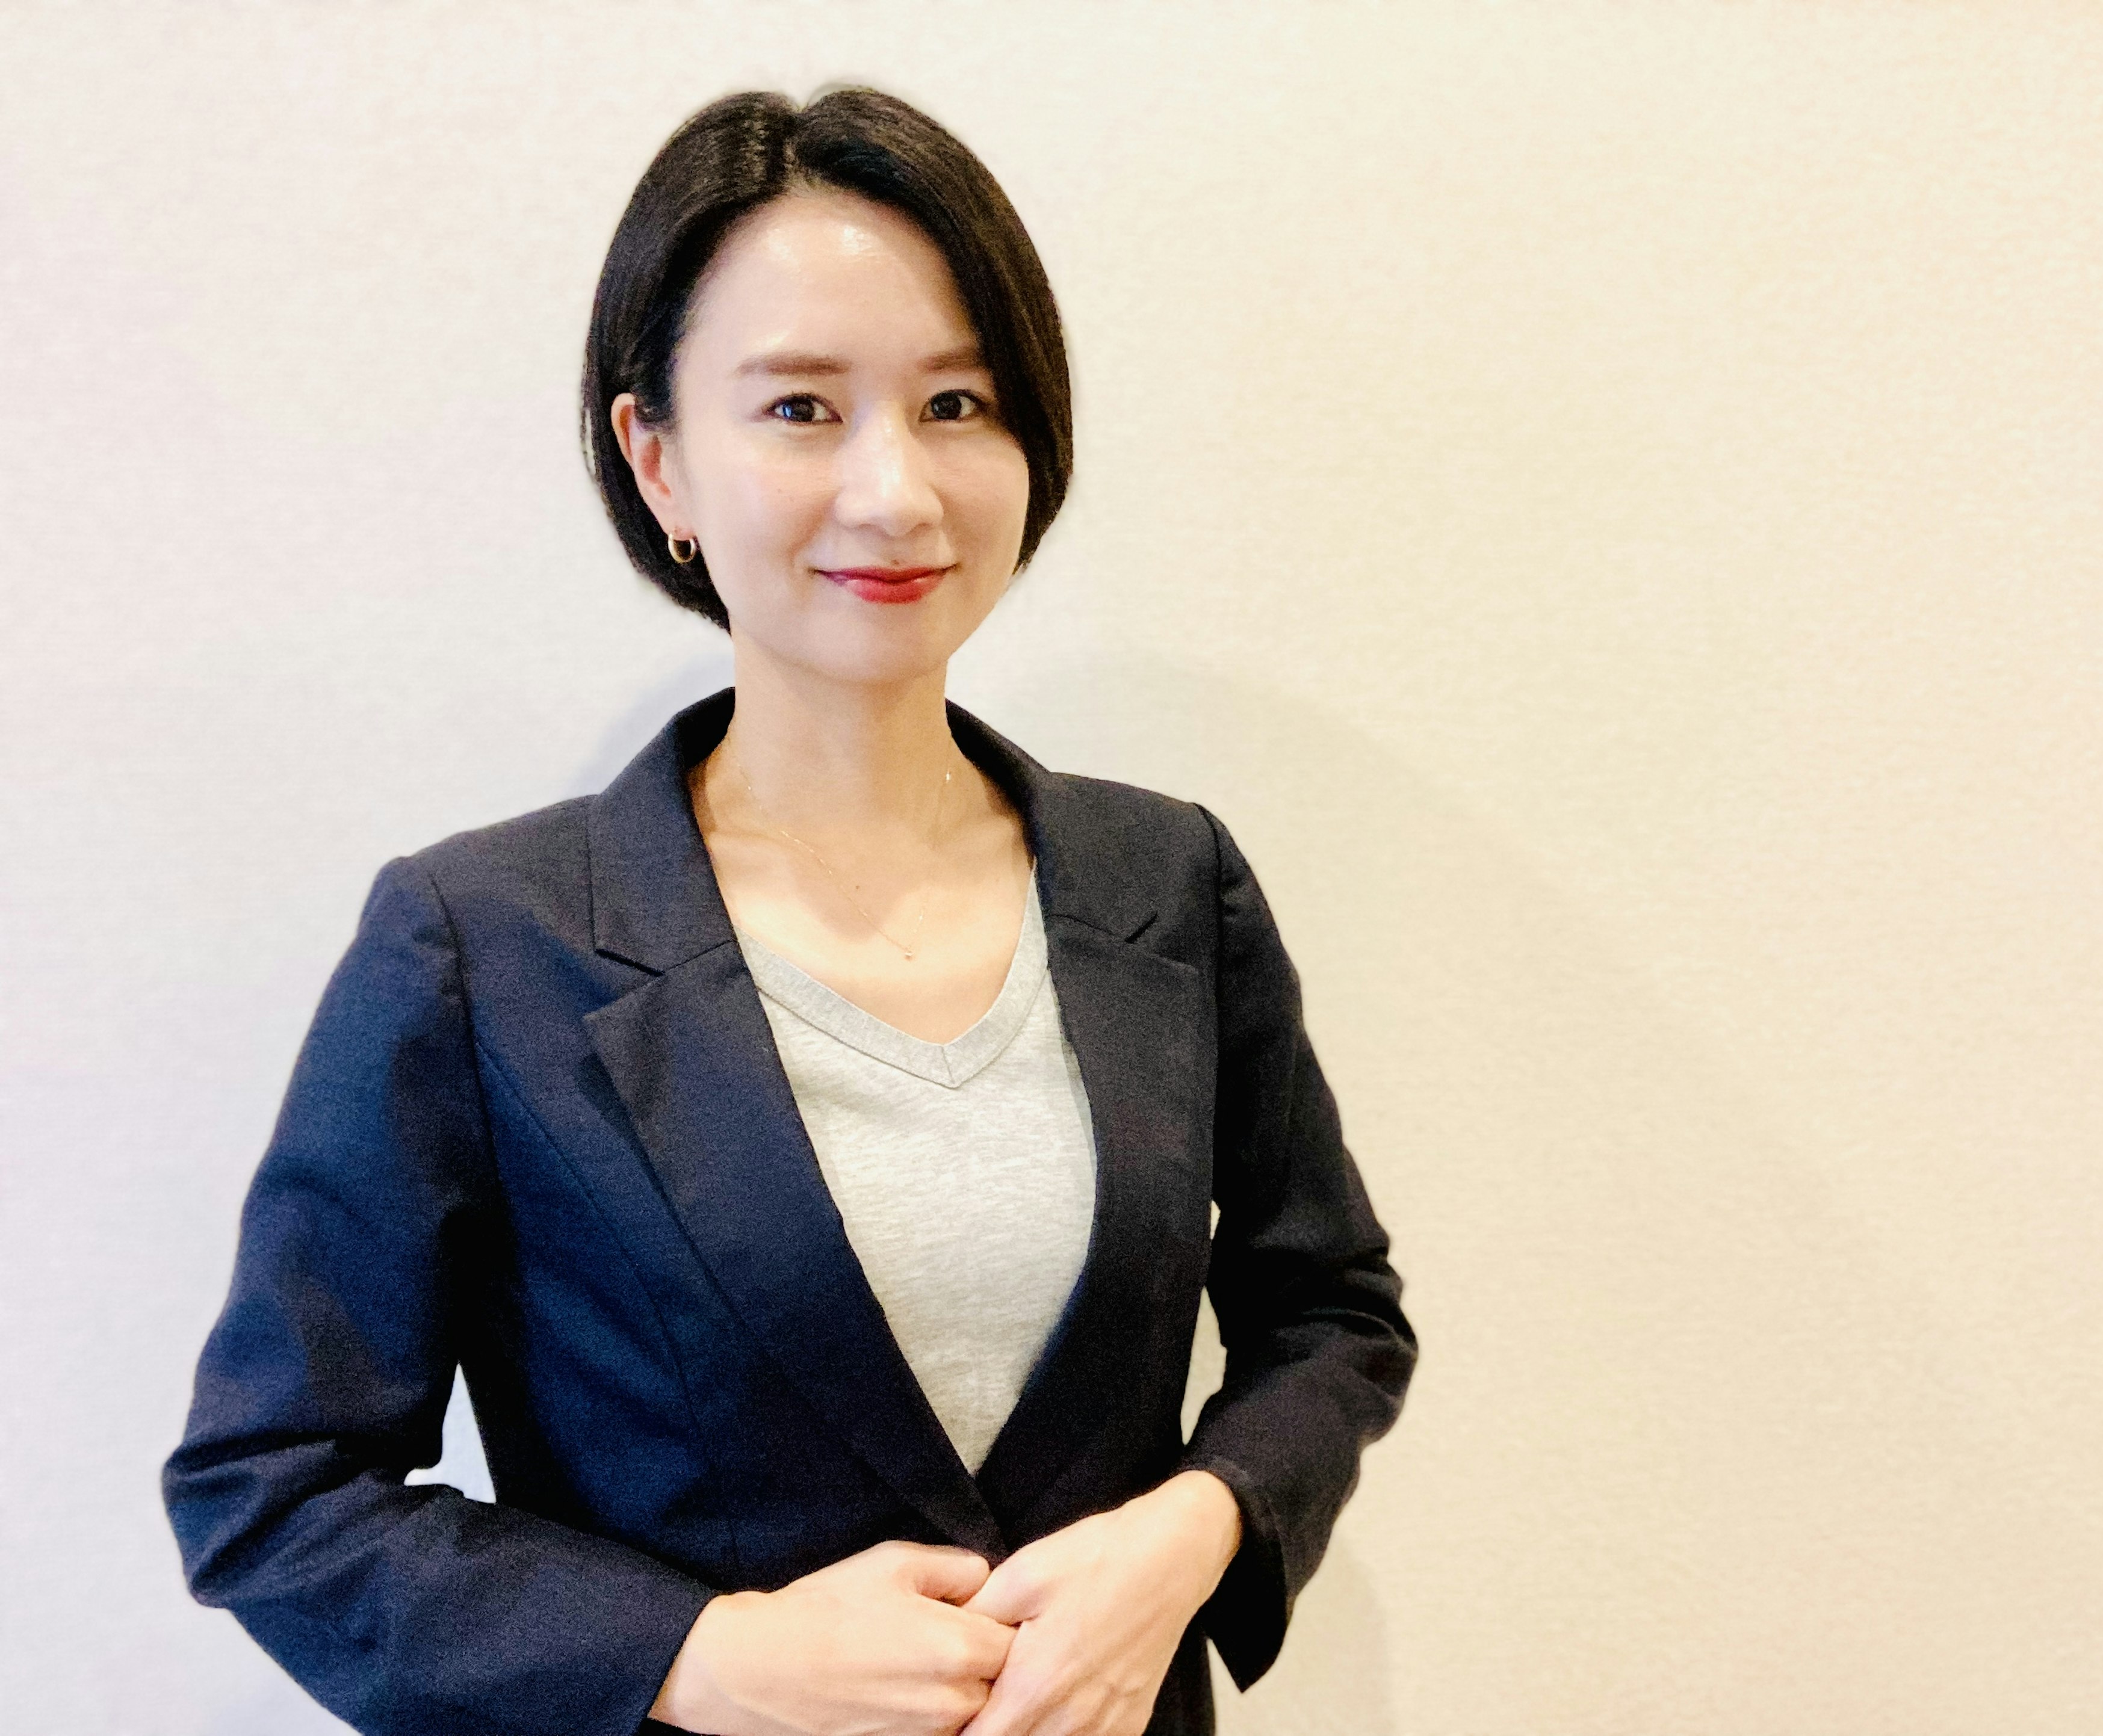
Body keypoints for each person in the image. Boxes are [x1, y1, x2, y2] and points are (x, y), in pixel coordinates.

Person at [162, 86, 1414, 1736]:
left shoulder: (1168, 885)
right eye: (804, 409)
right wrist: (699, 1656)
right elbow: (273, 1489)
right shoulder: (479, 947)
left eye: (958, 401)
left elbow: (1330, 1314)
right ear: (658, 458)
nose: (896, 492)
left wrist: (1197, 1530)